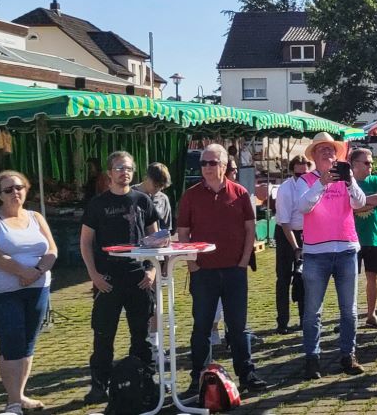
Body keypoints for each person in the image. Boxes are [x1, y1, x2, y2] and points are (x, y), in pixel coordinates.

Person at [178, 144, 269, 397]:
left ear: (225, 165)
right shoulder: (191, 195)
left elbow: (250, 229)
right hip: (203, 272)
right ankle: (199, 377)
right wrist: (192, 265)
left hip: (234, 271)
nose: (206, 168)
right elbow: (183, 234)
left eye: (212, 163)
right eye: (203, 163)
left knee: (237, 327)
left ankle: (246, 373)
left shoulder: (239, 193)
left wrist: (242, 263)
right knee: (202, 328)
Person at [79, 151, 160, 404]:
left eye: (128, 169)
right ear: (109, 173)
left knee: (141, 337)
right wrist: (94, 276)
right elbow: (85, 243)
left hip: (138, 279)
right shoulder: (97, 204)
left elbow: (155, 240)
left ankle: (144, 381)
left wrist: (152, 270)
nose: (124, 173)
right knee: (103, 337)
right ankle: (99, 386)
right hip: (108, 280)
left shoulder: (143, 200)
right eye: (119, 168)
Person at [0, 171, 57, 413]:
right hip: (1, 291)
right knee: (11, 342)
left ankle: (20, 395)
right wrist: (22, 271)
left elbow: (51, 249)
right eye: (8, 189)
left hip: (37, 288)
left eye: (19, 187)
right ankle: (13, 402)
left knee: (27, 344)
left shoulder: (35, 216)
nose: (15, 192)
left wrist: (37, 271)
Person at [298, 133, 368, 379]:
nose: (328, 154)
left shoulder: (346, 177)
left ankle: (348, 355)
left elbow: (359, 203)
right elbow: (303, 207)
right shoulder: (306, 180)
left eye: (331, 150)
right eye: (322, 150)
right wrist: (322, 184)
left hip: (347, 248)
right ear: (314, 156)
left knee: (348, 310)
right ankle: (312, 358)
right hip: (317, 252)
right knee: (313, 311)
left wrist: (349, 181)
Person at [349, 148, 377, 329]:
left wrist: (358, 205)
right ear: (354, 165)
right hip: (351, 239)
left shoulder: (376, 179)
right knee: (350, 279)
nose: (370, 166)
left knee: (373, 277)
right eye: (366, 162)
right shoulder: (348, 183)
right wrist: (365, 203)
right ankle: (350, 315)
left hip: (373, 238)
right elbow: (347, 207)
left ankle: (371, 314)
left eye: (371, 162)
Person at [274, 155, 310, 334]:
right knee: (283, 278)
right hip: (285, 233)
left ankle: (305, 319)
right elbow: (285, 222)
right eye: (298, 173)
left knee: (304, 277)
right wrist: (296, 247)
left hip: (305, 232)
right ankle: (282, 321)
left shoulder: (310, 185)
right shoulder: (285, 189)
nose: (301, 177)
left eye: (304, 173)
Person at [133, 163, 172, 231]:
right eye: (155, 186)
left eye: (161, 187)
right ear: (146, 178)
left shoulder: (162, 198)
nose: (158, 190)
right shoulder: (130, 194)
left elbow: (166, 227)